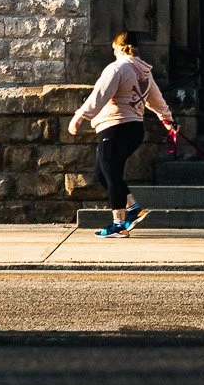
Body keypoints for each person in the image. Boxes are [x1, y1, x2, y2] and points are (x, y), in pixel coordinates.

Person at [68, 32, 178, 237]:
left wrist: (80, 116)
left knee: (111, 174)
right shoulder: (144, 72)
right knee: (103, 174)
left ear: (118, 48)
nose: (113, 52)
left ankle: (119, 224)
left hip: (115, 127)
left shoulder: (117, 68)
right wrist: (168, 120)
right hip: (134, 130)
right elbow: (156, 99)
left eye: (113, 49)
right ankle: (133, 209)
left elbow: (99, 95)